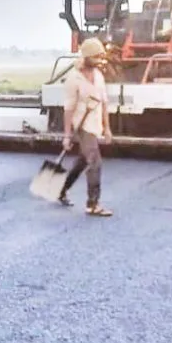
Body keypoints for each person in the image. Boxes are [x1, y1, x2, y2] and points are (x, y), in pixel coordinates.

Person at [58, 37, 113, 216]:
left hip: (95, 124)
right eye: (96, 56)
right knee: (95, 162)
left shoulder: (98, 76)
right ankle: (93, 204)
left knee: (83, 161)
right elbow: (68, 109)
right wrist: (67, 136)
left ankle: (60, 189)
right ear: (87, 57)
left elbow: (104, 103)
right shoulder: (73, 79)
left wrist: (107, 128)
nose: (99, 60)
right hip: (82, 126)